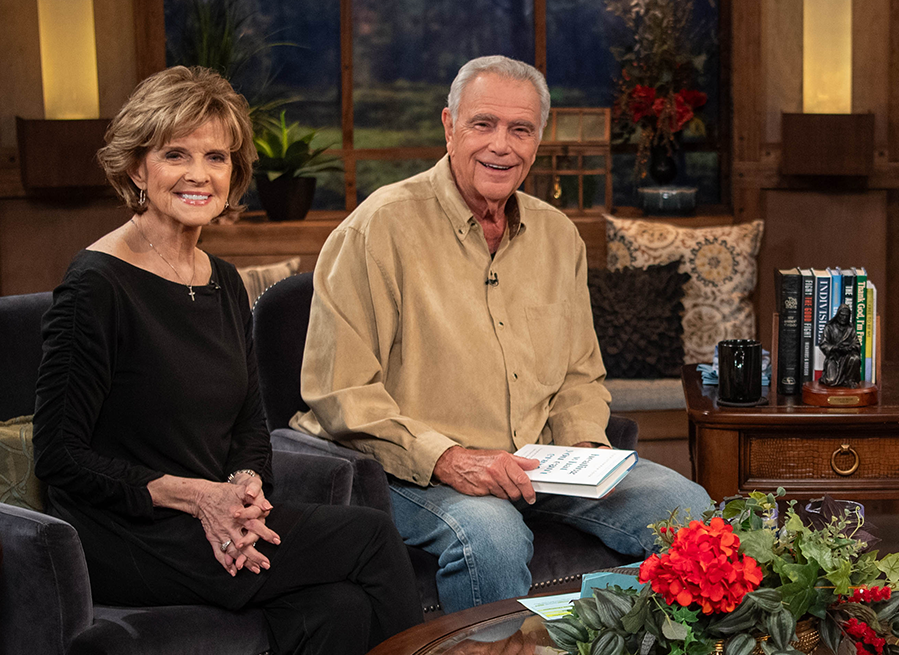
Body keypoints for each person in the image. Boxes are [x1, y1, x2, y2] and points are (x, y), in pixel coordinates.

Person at [34, 66, 422, 655]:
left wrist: (242, 491)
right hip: (125, 533)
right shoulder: (95, 285)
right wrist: (196, 497)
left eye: (216, 156)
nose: (199, 174)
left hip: (212, 519)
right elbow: (59, 456)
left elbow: (249, 423)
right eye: (175, 154)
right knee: (371, 537)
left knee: (338, 609)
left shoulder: (223, 282)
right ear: (138, 168)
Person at [291, 55, 714, 613]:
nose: (501, 146)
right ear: (449, 125)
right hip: (407, 468)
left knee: (688, 508)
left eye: (521, 130)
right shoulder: (378, 228)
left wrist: (585, 447)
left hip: (536, 463)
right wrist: (451, 458)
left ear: (538, 139)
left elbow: (579, 375)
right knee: (490, 535)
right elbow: (341, 391)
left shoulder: (558, 236)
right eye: (482, 124)